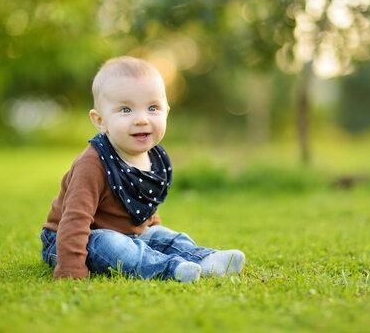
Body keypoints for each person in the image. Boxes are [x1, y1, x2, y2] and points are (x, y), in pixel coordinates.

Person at [41, 56, 245, 282]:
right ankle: (171, 269)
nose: (141, 119)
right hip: (75, 239)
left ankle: (204, 259)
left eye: (152, 108)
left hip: (132, 234)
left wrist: (155, 234)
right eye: (126, 110)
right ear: (100, 121)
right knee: (110, 244)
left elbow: (144, 202)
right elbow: (75, 219)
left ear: (166, 112)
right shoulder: (92, 163)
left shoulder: (153, 158)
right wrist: (71, 268)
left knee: (170, 236)